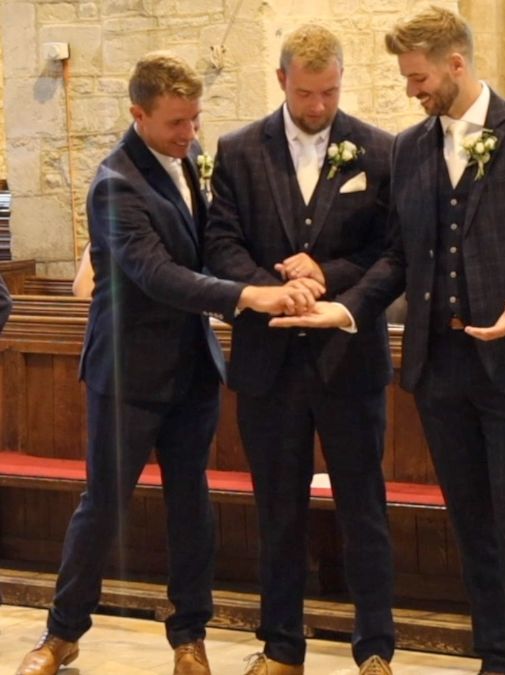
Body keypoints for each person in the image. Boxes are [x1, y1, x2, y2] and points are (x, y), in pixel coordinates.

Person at [269, 7, 505, 674]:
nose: (411, 90)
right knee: (469, 518)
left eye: (418, 77)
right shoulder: (409, 149)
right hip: (440, 370)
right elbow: (400, 260)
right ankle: (492, 655)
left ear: (456, 64)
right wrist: (345, 310)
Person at [16, 52, 316, 675]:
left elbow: (213, 246)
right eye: (176, 123)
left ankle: (189, 637)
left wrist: (280, 268)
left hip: (191, 370)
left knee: (190, 504)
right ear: (138, 114)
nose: (190, 134)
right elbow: (155, 274)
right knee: (104, 504)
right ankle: (62, 633)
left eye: (194, 120)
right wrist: (248, 296)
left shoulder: (191, 164)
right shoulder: (114, 183)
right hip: (128, 372)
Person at [203, 25, 396, 675]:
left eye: (331, 92)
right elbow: (221, 245)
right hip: (270, 362)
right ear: (282, 80)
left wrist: (327, 277)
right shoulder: (237, 151)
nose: (319, 106)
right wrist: (274, 287)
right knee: (277, 510)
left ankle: (374, 647)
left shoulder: (377, 148)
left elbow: (388, 252)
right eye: (307, 92)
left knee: (364, 506)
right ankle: (282, 646)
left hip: (349, 358)